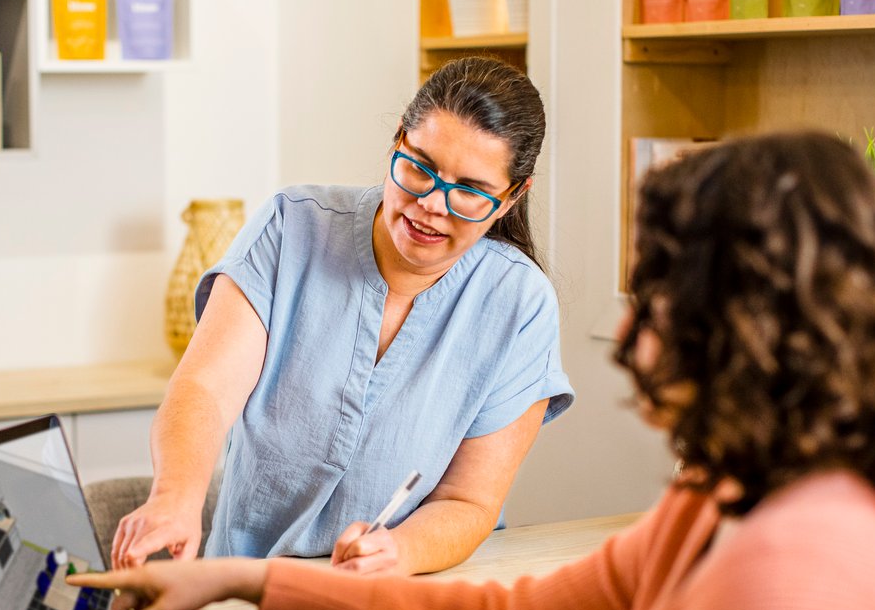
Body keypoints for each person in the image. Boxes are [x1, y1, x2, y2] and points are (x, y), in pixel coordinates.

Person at [73, 131, 875, 610]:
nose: (628, 332)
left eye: (659, 298)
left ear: (754, 330)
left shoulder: (800, 576)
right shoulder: (724, 505)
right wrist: (242, 576)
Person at [111, 57, 574, 574]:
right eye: (418, 168)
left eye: (469, 191)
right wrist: (175, 498)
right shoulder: (291, 227)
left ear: (512, 196)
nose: (431, 206)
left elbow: (469, 502)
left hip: (403, 593)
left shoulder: (519, 304)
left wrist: (399, 552)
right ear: (398, 139)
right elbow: (203, 390)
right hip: (244, 588)